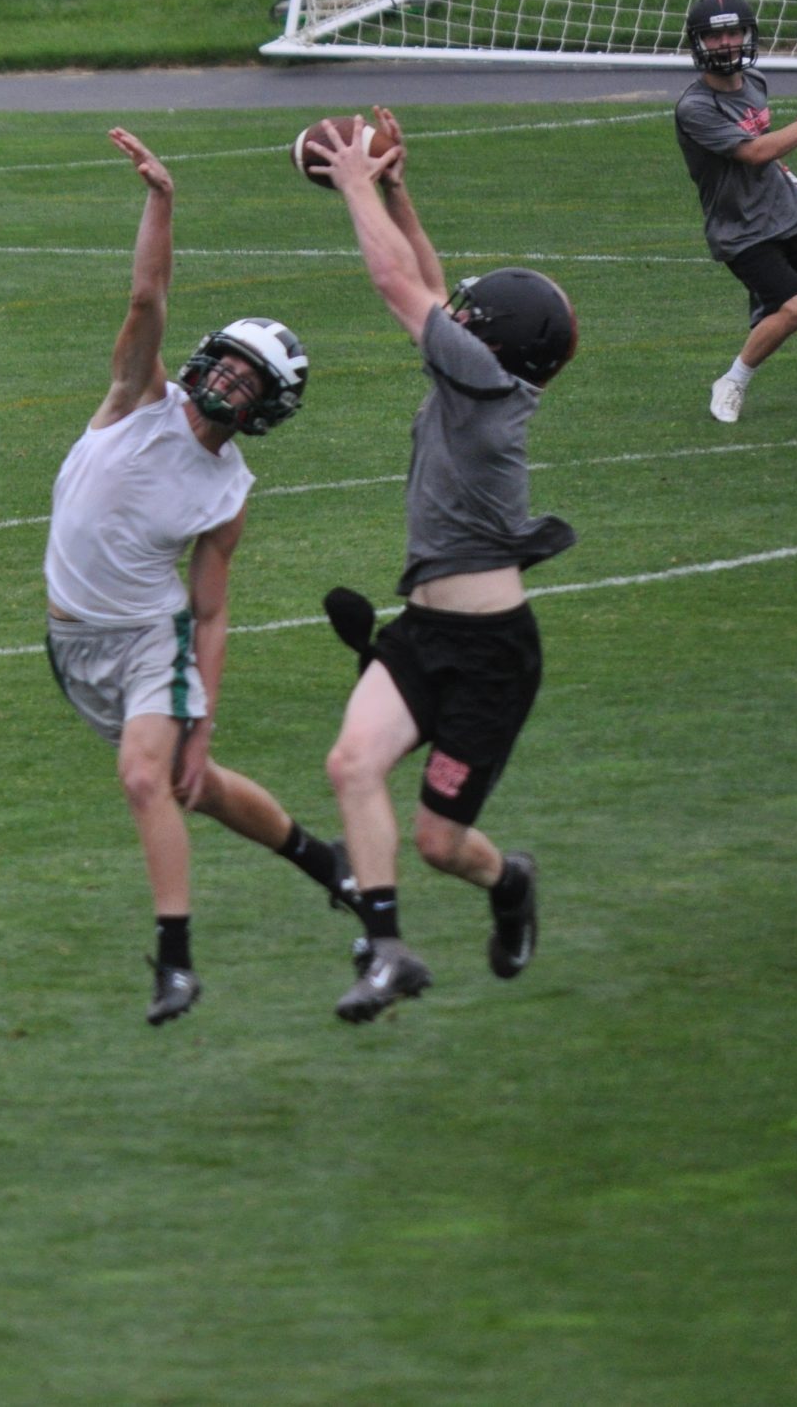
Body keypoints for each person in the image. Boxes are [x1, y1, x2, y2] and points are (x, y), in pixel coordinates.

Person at [42, 128, 352, 1028]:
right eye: (225, 360)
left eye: (250, 380)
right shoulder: (137, 399)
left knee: (151, 778)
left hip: (151, 640)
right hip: (73, 645)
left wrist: (202, 721)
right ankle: (323, 861)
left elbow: (211, 616)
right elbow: (147, 296)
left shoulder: (228, 492)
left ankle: (174, 963)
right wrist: (161, 198)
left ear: (270, 409)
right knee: (193, 789)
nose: (227, 380)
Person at [306, 110, 575, 1025]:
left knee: (440, 843)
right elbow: (422, 278)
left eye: (467, 314)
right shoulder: (482, 372)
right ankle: (387, 952)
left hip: (492, 651)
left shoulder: (487, 386)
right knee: (352, 764)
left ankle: (510, 881)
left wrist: (350, 182)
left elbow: (395, 282)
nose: (448, 311)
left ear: (488, 338)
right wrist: (393, 185)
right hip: (426, 628)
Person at [674, 0, 797, 422]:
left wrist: (788, 176)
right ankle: (732, 381)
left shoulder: (756, 83)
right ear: (698, 43)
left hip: (789, 217)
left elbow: (767, 155)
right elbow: (753, 152)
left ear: (748, 34)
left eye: (733, 32)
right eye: (714, 36)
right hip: (741, 230)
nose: (726, 43)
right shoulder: (695, 108)